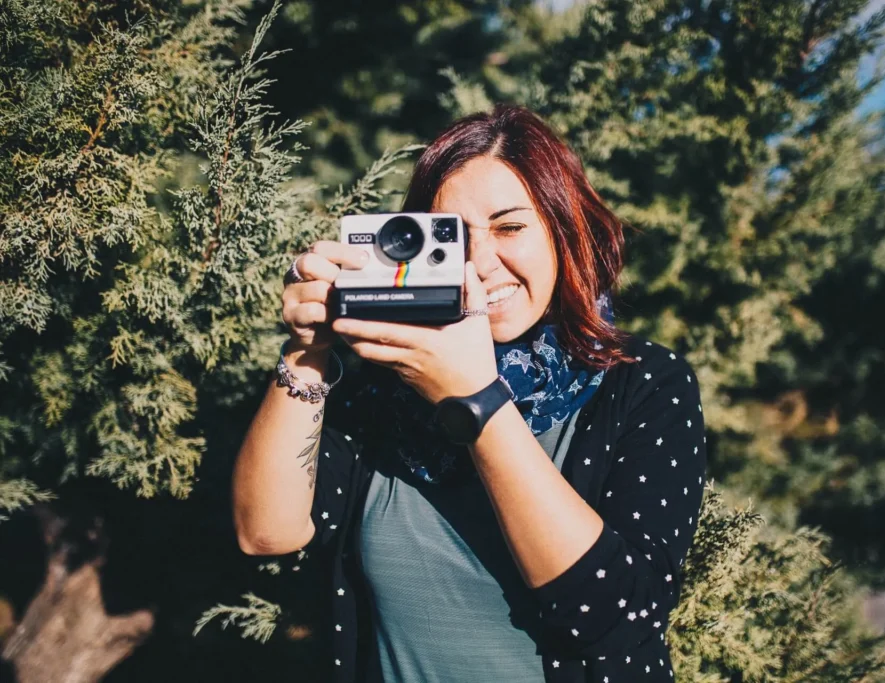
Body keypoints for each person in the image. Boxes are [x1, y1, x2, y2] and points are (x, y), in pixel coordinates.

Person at [232, 104, 707, 683]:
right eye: (451, 238)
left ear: (564, 231)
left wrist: (476, 397)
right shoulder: (388, 391)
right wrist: (308, 355)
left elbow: (617, 611)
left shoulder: (644, 383)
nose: (481, 263)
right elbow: (266, 533)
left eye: (509, 227)